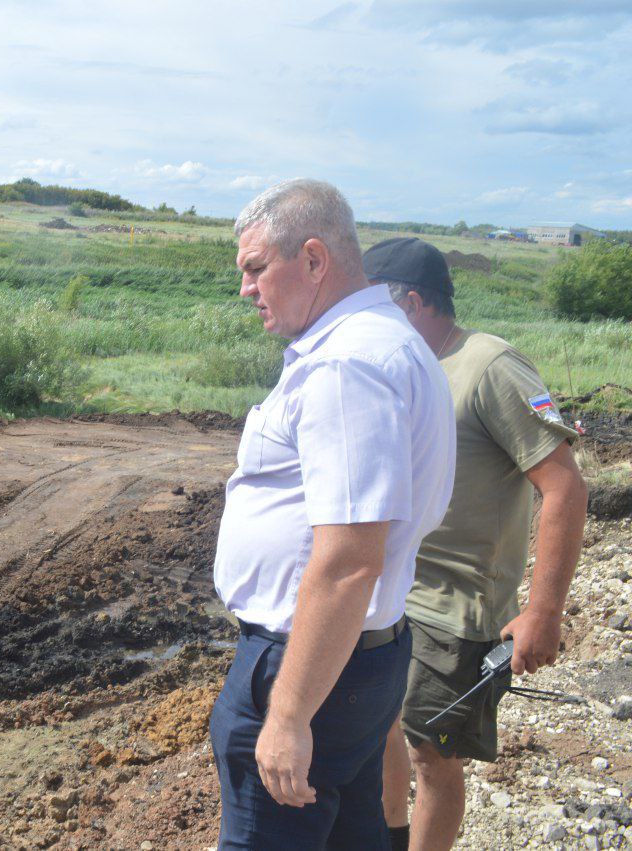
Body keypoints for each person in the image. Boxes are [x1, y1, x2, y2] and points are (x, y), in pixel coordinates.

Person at [209, 181, 455, 849]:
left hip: (311, 664)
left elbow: (349, 560)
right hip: (355, 657)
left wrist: (288, 713)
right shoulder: (386, 341)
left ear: (314, 259)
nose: (245, 288)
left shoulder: (348, 363)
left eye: (257, 267)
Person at [368, 237, 588, 851]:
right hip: (389, 593)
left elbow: (564, 486)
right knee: (380, 730)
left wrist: (543, 611)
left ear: (411, 302)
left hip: (455, 608)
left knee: (431, 758)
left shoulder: (489, 366)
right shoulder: (400, 365)